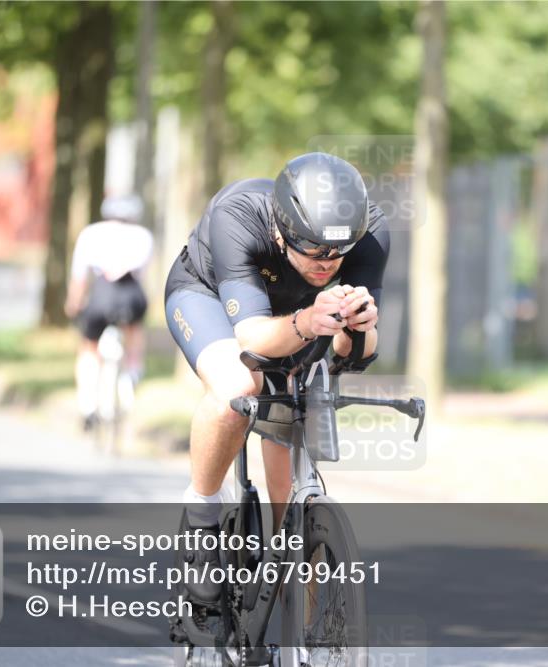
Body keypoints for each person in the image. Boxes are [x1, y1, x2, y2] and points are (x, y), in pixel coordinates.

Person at [164, 152, 389, 602]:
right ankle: (201, 516)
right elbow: (251, 338)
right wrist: (307, 322)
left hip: (299, 311)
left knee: (297, 412)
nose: (328, 262)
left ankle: (296, 607)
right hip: (206, 296)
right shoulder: (240, 215)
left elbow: (356, 355)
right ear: (279, 231)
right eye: (313, 249)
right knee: (237, 387)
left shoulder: (369, 232)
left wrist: (358, 329)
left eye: (339, 252)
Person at [65, 195, 153, 431]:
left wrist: (74, 303)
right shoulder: (143, 236)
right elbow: (141, 273)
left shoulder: (91, 234)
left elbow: (79, 277)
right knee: (134, 334)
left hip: (101, 296)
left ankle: (88, 405)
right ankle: (131, 376)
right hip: (131, 296)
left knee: (89, 346)